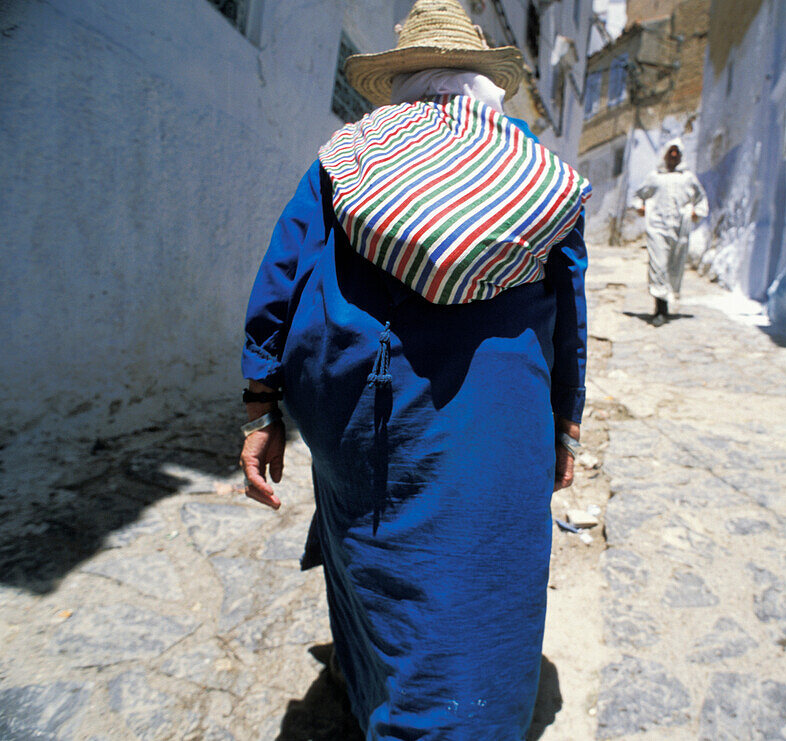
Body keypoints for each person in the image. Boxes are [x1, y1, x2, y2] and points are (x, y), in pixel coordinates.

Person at [236, 1, 590, 737]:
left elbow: (281, 277)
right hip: (494, 411)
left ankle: (376, 691)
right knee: (483, 567)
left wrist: (262, 407)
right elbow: (569, 309)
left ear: (401, 82)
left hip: (357, 405)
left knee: (368, 547)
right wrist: (565, 420)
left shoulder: (348, 156)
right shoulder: (536, 173)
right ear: (482, 84)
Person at [631, 139, 709, 326]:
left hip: (680, 229)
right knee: (658, 265)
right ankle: (660, 309)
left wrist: (695, 213)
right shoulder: (654, 177)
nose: (673, 156)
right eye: (670, 152)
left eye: (677, 152)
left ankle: (667, 300)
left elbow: (701, 198)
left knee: (674, 265)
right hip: (658, 228)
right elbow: (637, 196)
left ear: (680, 156)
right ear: (665, 154)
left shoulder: (688, 178)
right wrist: (639, 207)